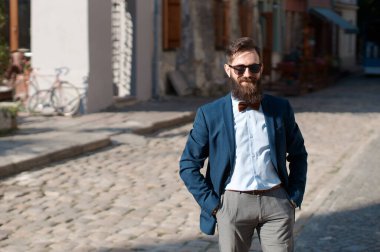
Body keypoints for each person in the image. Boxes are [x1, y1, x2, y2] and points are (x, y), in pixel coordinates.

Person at [179, 37, 307, 252]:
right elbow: (188, 165)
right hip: (232, 204)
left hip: (276, 201)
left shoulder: (280, 108)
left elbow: (298, 154)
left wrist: (294, 196)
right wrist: (214, 206)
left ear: (261, 68)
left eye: (253, 67)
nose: (247, 74)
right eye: (240, 68)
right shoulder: (209, 114)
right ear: (228, 70)